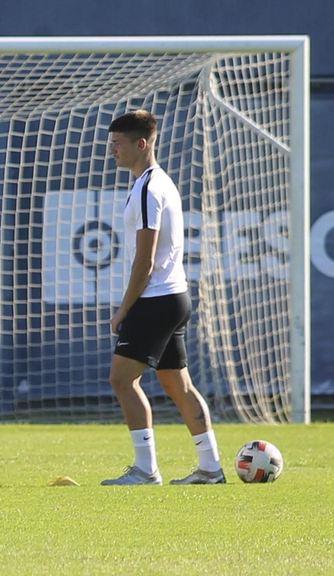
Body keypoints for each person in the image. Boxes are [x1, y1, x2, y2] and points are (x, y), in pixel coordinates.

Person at [101, 109, 224, 486]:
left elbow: (146, 260)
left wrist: (124, 308)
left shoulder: (148, 189)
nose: (112, 152)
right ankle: (211, 467)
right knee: (177, 384)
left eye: (118, 144)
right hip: (175, 297)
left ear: (141, 144)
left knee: (122, 380)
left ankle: (145, 469)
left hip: (156, 299)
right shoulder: (158, 182)